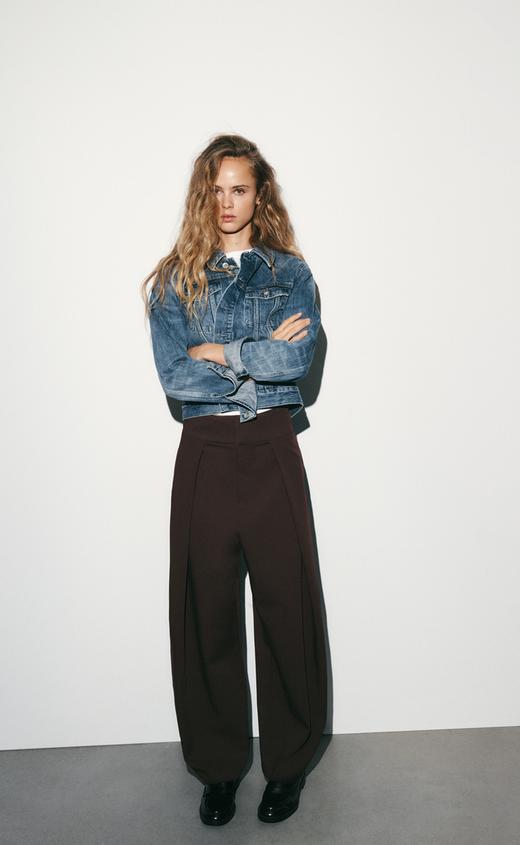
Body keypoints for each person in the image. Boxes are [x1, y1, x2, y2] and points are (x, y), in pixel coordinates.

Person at [140, 133, 327, 826]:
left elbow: (297, 362)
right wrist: (259, 356)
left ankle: (288, 764)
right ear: (203, 196)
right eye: (215, 190)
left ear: (258, 194)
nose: (226, 202)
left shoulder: (290, 273)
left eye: (239, 189)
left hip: (273, 448)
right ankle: (217, 771)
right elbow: (176, 377)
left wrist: (220, 349)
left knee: (287, 607)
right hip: (206, 452)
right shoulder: (172, 281)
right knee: (206, 614)